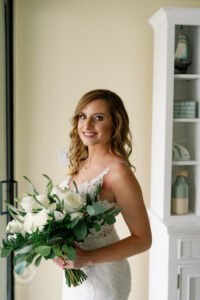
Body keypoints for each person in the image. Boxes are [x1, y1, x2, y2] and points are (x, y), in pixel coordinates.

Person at [54, 89, 152, 300]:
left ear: (115, 124)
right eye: (83, 116)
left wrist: (87, 258)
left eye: (98, 118)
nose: (87, 125)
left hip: (104, 278)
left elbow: (143, 239)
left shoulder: (118, 172)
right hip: (76, 274)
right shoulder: (80, 164)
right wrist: (56, 247)